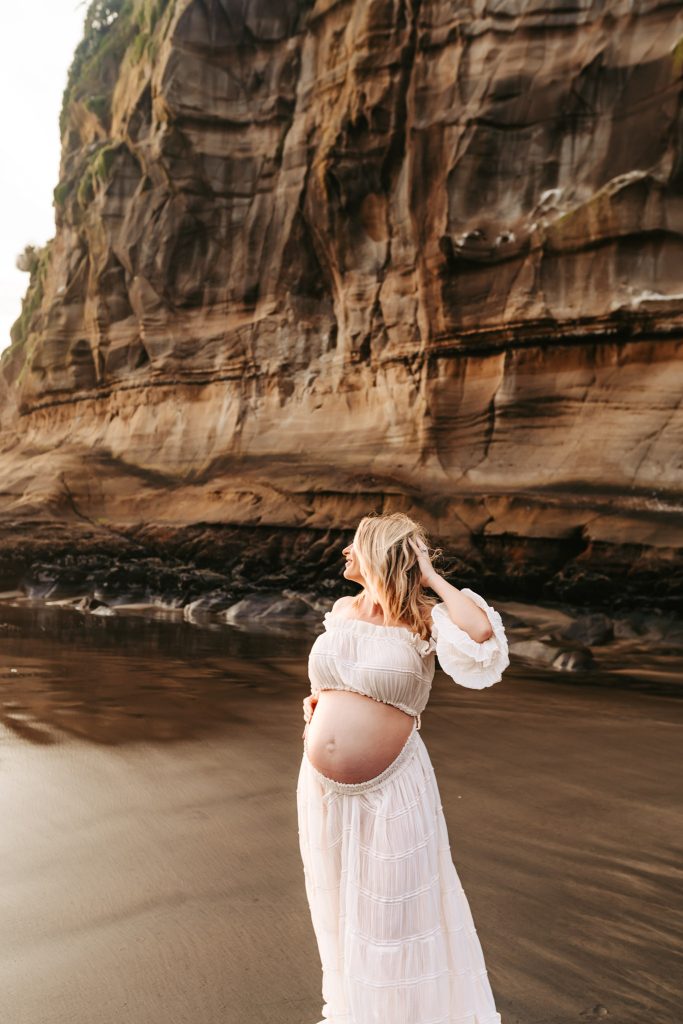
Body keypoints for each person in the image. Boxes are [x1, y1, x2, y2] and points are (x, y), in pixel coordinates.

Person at [296, 511, 510, 1024]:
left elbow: (482, 638)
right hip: (322, 789)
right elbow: (335, 677)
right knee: (337, 912)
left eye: (353, 544)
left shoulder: (424, 617)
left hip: (393, 789)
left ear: (378, 553)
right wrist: (320, 705)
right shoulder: (343, 608)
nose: (344, 553)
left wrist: (431, 576)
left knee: (393, 920)